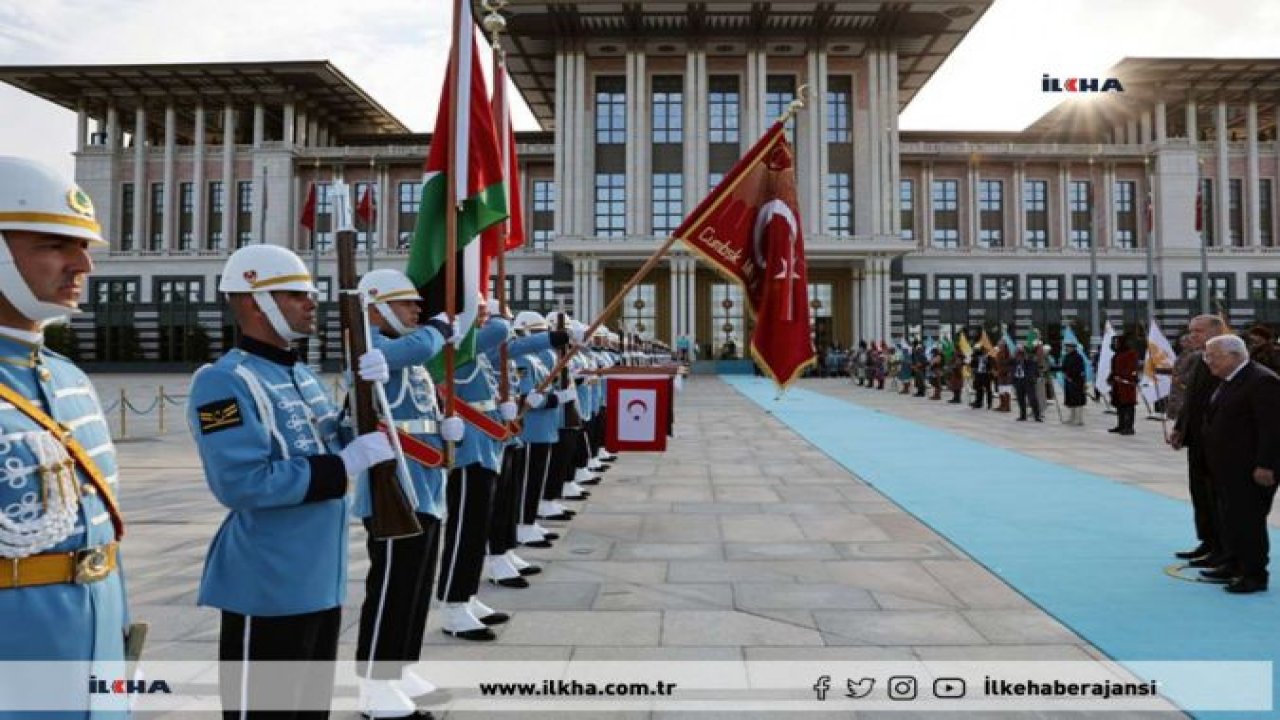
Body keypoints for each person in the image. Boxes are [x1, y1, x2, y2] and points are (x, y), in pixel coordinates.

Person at [187, 244, 394, 718]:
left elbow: (330, 439)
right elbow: (241, 482)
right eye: (295, 294)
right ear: (253, 301)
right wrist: (343, 466)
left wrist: (370, 400)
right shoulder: (222, 383)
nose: (311, 303)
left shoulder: (301, 373)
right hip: (266, 583)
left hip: (320, 578)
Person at [0, 156, 131, 717]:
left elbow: (101, 538)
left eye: (84, 246)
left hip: (97, 645)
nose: (83, 265)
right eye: (56, 244)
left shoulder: (69, 378)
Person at [351, 269, 458, 717]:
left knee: (416, 584)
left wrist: (445, 428)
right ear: (374, 307)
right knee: (392, 585)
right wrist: (437, 329)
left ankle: (400, 667)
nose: (417, 310)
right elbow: (420, 344)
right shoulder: (370, 347)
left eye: (417, 305)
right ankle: (375, 684)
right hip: (394, 486)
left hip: (425, 482)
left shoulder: (406, 355)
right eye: (406, 303)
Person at [1199, 335, 1280, 594]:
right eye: (1207, 356)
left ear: (1233, 356)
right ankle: (1233, 563)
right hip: (1226, 467)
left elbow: (1272, 429)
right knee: (1230, 518)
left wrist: (1265, 464)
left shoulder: (1262, 381)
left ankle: (1254, 574)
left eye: (1213, 357)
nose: (1208, 362)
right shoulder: (1227, 381)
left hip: (1251, 469)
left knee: (1248, 521)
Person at [1170, 314, 1227, 566]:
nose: (1193, 335)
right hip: (1197, 440)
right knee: (1199, 492)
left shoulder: (1225, 360)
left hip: (1217, 441)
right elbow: (1191, 399)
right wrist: (1180, 427)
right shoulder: (1198, 360)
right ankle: (1207, 540)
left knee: (1216, 496)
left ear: (1217, 331)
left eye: (1199, 331)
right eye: (1191, 331)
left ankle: (1222, 547)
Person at [1108, 335, 1139, 435]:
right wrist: (1112, 377)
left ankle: (1129, 427)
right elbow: (1114, 368)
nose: (1115, 344)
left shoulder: (1131, 353)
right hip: (1117, 384)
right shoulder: (1117, 354)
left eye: (1117, 342)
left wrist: (1122, 376)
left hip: (1126, 384)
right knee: (1120, 405)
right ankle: (1121, 425)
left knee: (1128, 405)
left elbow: (1131, 368)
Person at [1061, 340, 1087, 426]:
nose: (1067, 348)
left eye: (1069, 347)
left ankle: (1079, 419)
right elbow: (1063, 367)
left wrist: (1072, 376)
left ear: (1073, 348)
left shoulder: (1078, 357)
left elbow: (1080, 370)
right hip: (1068, 381)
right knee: (1070, 400)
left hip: (1077, 381)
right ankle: (1072, 417)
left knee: (1078, 400)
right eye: (1067, 347)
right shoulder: (1066, 357)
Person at [1012, 347, 1042, 422]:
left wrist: (1034, 377)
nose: (1018, 357)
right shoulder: (1014, 362)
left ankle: (1037, 416)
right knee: (1020, 400)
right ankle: (1023, 416)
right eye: (1017, 355)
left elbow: (1034, 371)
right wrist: (1013, 381)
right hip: (1018, 381)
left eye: (1020, 355)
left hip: (1028, 382)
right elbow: (1012, 370)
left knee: (1032, 399)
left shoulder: (1030, 362)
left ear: (1023, 355)